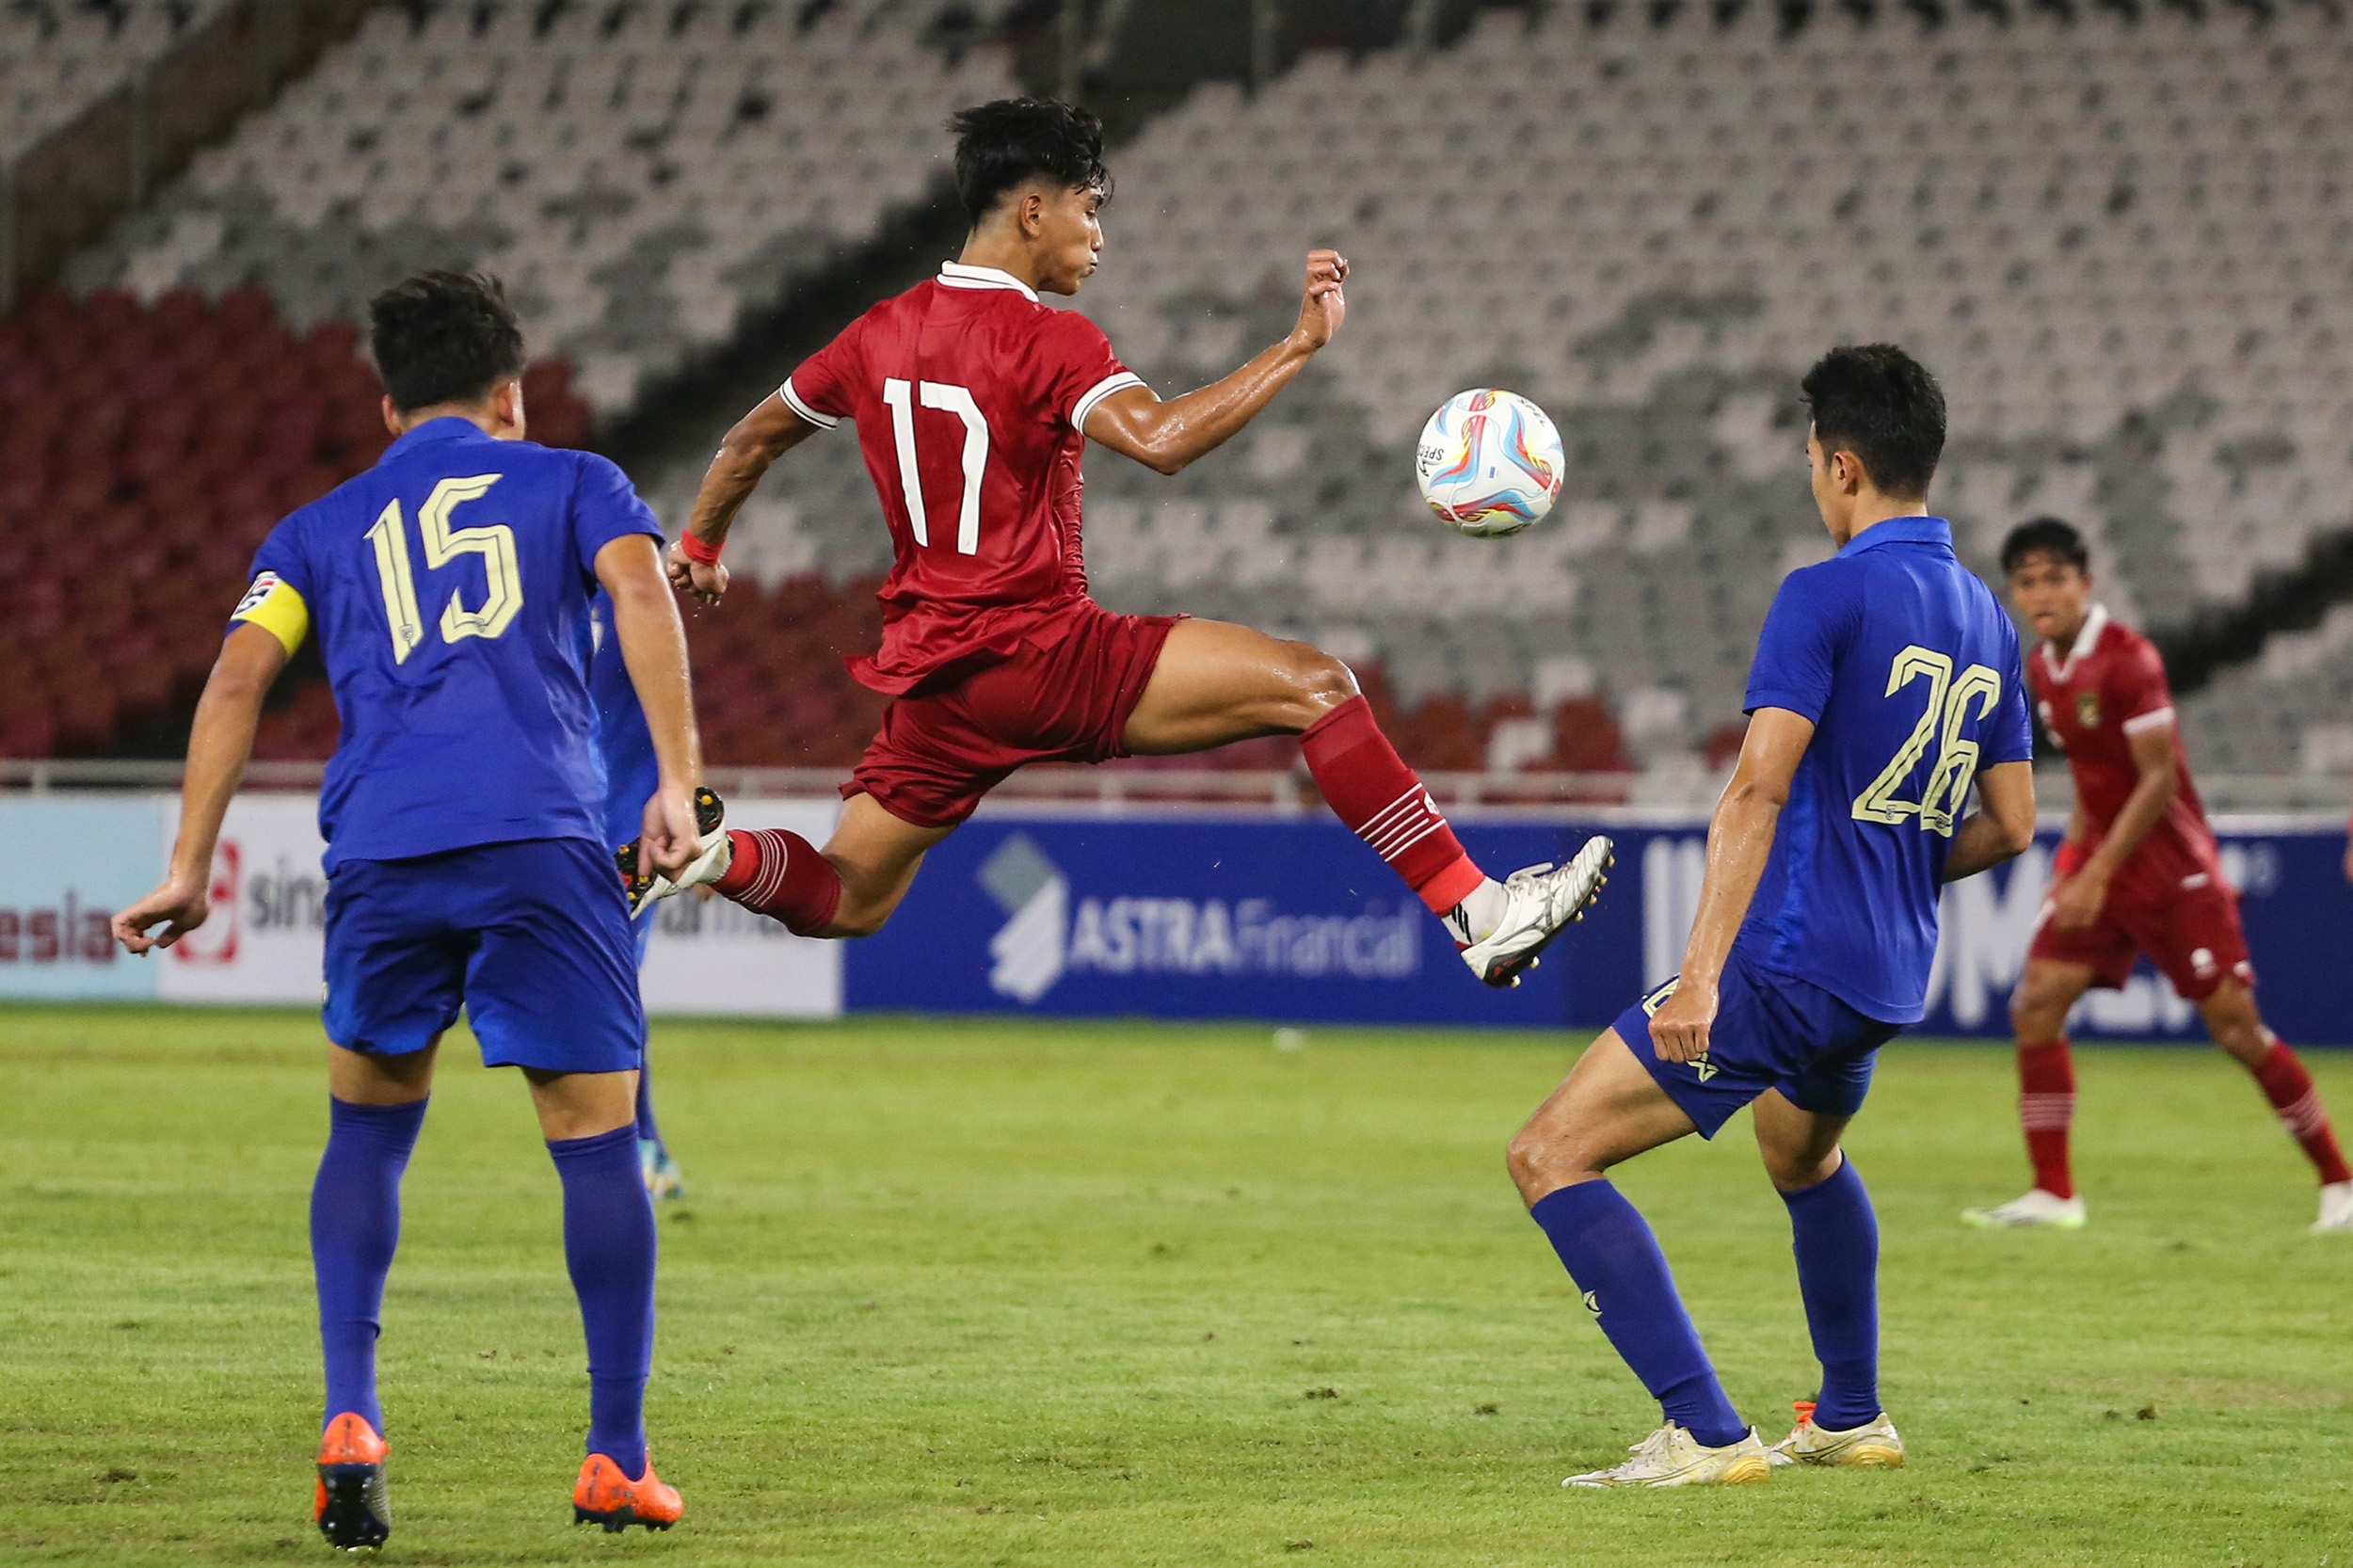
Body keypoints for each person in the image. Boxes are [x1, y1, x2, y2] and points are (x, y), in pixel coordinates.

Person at [632, 97, 1611, 981]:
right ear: (1032, 211)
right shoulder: (1051, 340)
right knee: (1318, 687)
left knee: (851, 893)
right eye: (1088, 209)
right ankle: (1478, 907)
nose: (1097, 237)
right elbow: (1165, 441)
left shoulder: (875, 333)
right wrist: (1297, 346)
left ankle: (716, 855)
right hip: (1043, 650)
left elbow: (752, 436)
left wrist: (703, 546)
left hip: (941, 679)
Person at [112, 272, 703, 1547]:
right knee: (598, 1141)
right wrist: (676, 781)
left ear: (388, 408)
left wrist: (188, 865)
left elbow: (231, 682)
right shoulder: (575, 479)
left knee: (367, 1133)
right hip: (542, 839)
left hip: (381, 849)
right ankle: (615, 1454)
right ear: (512, 393)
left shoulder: (315, 527)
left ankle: (352, 1411)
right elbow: (643, 592)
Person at [1504, 346, 2039, 1487]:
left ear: (1841, 465)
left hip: (1789, 962)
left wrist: (1699, 973)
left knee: (1550, 1152)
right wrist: (1889, 864)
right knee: (1801, 1154)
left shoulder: (1826, 592)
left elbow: (1755, 788)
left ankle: (1702, 1431)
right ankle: (1849, 1414)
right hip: (1887, 973)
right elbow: (2011, 824)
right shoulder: (1988, 617)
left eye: (1810, 461)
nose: (1811, 481)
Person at [1963, 519, 2352, 1233]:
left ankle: (2340, 1181)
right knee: (2037, 1004)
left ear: (2085, 583)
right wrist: (2071, 866)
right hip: (2105, 869)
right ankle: (2054, 1192)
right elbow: (2094, 779)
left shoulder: (2129, 659)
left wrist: (2096, 871)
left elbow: (2157, 779)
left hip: (2173, 874)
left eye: (2055, 578)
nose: (2041, 593)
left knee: (2237, 1031)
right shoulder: (2044, 670)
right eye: (2027, 581)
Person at [588, 590, 686, 1200]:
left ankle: (638, 1145)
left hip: (623, 832)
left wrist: (684, 800)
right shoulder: (526, 592)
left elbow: (672, 712)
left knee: (610, 984)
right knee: (598, 989)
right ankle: (644, 1145)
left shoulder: (635, 598)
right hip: (543, 826)